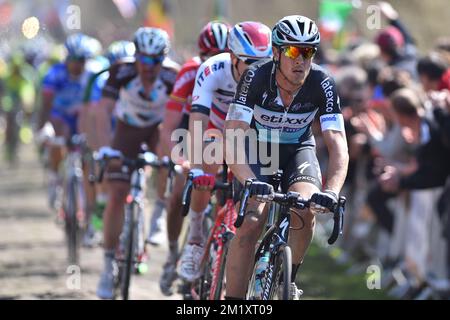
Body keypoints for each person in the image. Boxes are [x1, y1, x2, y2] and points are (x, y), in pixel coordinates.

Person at [223, 15, 349, 300]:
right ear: (276, 52)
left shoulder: (322, 82)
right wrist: (249, 180)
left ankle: (288, 278)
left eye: (308, 52)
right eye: (293, 51)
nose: (301, 60)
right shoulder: (254, 76)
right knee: (253, 220)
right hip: (258, 150)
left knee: (305, 208)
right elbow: (233, 135)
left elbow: (337, 141)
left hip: (297, 150)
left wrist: (331, 190)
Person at [178, 21, 273, 282]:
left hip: (248, 134)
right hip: (215, 128)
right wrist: (196, 168)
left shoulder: (272, 75)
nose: (258, 70)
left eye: (263, 63)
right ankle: (195, 238)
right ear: (232, 57)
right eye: (250, 63)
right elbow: (197, 119)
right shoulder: (212, 70)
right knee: (207, 162)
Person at [94, 27, 180, 299]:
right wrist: (106, 147)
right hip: (126, 128)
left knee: (169, 161)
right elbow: (104, 109)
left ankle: (160, 210)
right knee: (117, 193)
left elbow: (178, 118)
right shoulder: (121, 70)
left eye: (155, 61)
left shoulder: (172, 75)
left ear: (163, 60)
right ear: (136, 57)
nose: (149, 67)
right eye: (143, 60)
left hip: (158, 128)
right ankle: (108, 266)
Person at [157, 21, 230, 296]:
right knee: (179, 192)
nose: (216, 61)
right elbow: (171, 124)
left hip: (228, 131)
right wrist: (180, 160)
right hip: (194, 127)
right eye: (209, 56)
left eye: (222, 53)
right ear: (200, 56)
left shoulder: (245, 73)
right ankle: (174, 254)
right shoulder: (190, 72)